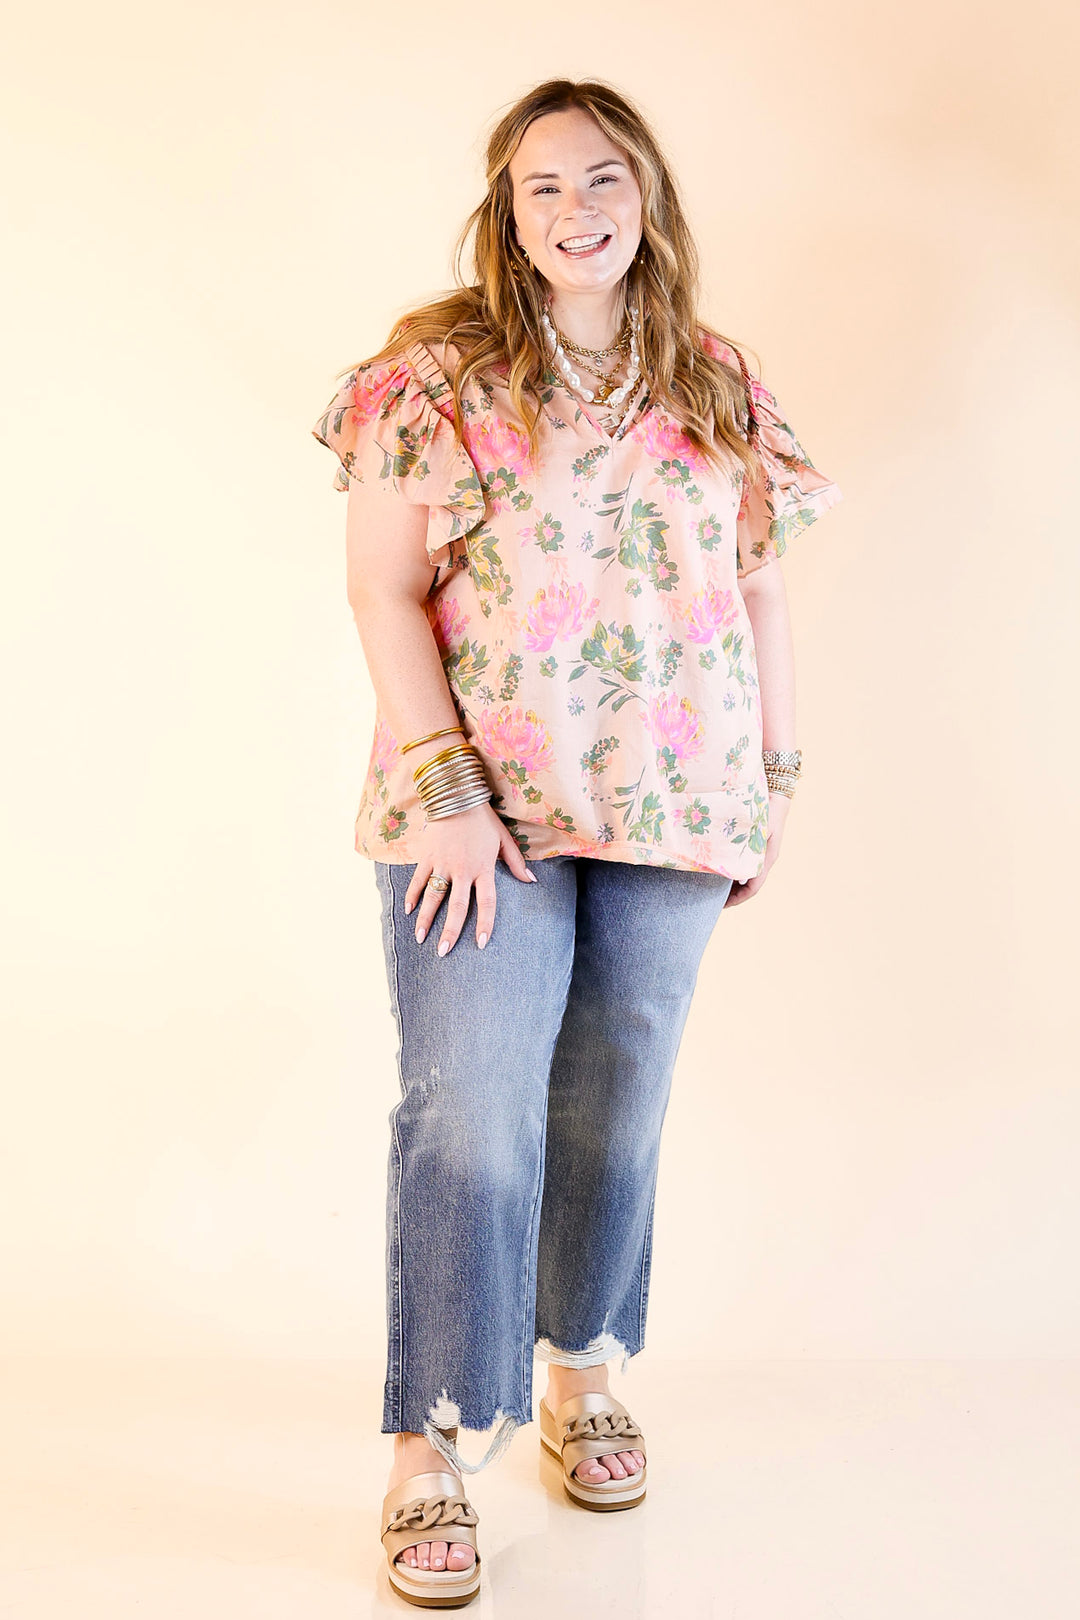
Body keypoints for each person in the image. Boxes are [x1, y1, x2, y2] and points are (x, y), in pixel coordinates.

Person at [312, 76, 842, 1609]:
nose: (575, 208)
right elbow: (378, 590)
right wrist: (445, 790)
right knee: (473, 1110)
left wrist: (776, 779)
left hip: (679, 808)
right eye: (541, 185)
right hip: (473, 817)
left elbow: (758, 588)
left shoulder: (717, 381)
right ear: (507, 212)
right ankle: (428, 1444)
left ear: (647, 195)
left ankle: (583, 1373)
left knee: (618, 1101)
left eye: (602, 177)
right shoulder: (435, 375)